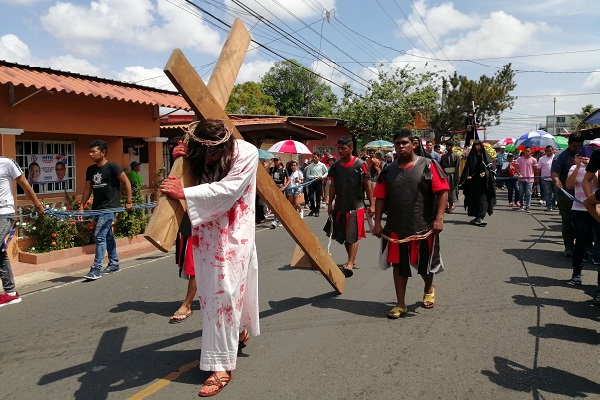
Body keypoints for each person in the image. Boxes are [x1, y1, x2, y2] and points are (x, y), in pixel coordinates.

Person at [159, 119, 259, 397]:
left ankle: (221, 366)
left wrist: (185, 193)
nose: (209, 158)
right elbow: (180, 178)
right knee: (212, 296)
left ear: (225, 143)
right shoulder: (197, 152)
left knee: (224, 295)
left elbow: (229, 190)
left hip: (233, 236)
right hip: (206, 234)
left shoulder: (246, 152)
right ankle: (237, 333)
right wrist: (179, 161)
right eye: (204, 152)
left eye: (214, 152)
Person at [372, 129, 449, 318]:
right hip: (396, 228)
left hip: (422, 225)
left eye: (404, 143)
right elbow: (380, 197)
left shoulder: (428, 165)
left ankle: (428, 288)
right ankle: (400, 304)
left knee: (424, 264)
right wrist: (377, 223)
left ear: (413, 144)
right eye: (397, 143)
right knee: (399, 265)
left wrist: (439, 219)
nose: (400, 147)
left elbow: (442, 192)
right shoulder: (388, 170)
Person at [80, 140, 133, 280]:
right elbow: (87, 189)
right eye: (89, 152)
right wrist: (81, 206)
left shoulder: (112, 167)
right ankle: (114, 263)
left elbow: (126, 182)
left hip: (109, 207)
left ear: (103, 153)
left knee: (99, 236)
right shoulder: (90, 170)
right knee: (107, 235)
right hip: (96, 208)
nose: (90, 154)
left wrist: (129, 201)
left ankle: (96, 268)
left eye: (94, 151)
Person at [327, 136, 375, 278]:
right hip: (341, 206)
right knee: (344, 237)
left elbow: (367, 185)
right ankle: (351, 260)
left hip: (356, 206)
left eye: (343, 148)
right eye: (339, 148)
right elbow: (333, 185)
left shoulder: (360, 164)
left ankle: (349, 263)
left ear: (351, 148)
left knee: (352, 236)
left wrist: (372, 204)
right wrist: (330, 203)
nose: (340, 151)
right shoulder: (335, 166)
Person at [0, 157, 45, 307]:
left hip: (4, 214)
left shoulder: (6, 162)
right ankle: (11, 293)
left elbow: (24, 184)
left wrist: (37, 205)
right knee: (0, 252)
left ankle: (11, 293)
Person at [565, 153, 598, 286]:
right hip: (579, 209)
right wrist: (578, 166)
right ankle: (576, 272)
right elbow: (569, 185)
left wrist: (592, 167)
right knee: (581, 241)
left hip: (597, 209)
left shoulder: (597, 168)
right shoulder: (573, 168)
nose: (584, 158)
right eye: (581, 156)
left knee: (597, 242)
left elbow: (596, 182)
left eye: (587, 156)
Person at [551, 132, 584, 257]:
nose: (577, 148)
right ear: (569, 143)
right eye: (575, 146)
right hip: (566, 194)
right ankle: (569, 247)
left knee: (582, 223)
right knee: (567, 221)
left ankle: (584, 248)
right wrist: (557, 181)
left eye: (580, 146)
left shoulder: (586, 153)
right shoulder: (561, 156)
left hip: (583, 195)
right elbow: (554, 172)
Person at [459, 140, 496, 226]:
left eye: (478, 145)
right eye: (475, 145)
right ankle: (476, 217)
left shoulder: (485, 156)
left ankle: (480, 217)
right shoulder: (472, 157)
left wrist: (485, 173)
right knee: (473, 199)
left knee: (483, 199)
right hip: (473, 182)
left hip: (484, 183)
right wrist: (468, 175)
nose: (476, 147)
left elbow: (491, 168)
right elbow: (468, 168)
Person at [304, 153, 328, 217]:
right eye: (313, 157)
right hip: (312, 182)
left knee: (318, 197)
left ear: (319, 158)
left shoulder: (322, 165)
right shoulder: (310, 166)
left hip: (319, 182)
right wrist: (313, 177)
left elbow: (326, 172)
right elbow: (307, 175)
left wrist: (322, 177)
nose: (314, 158)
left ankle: (317, 211)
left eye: (315, 157)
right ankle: (313, 209)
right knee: (311, 197)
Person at [516, 146, 538, 213]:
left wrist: (536, 177)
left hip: (530, 179)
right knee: (521, 193)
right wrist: (519, 174)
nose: (527, 152)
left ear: (531, 152)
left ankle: (528, 206)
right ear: (524, 151)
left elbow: (535, 170)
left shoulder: (533, 160)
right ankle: (521, 205)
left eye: (528, 151)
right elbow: (516, 168)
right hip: (521, 179)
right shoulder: (519, 159)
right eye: (526, 151)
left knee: (528, 193)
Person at [440, 140, 460, 213]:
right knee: (446, 190)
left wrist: (457, 178)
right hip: (445, 175)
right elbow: (441, 167)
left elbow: (457, 168)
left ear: (452, 147)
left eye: (448, 146)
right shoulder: (444, 156)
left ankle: (452, 204)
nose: (447, 147)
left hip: (453, 175)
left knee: (453, 190)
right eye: (446, 146)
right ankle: (447, 204)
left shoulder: (456, 156)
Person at [538, 145, 556, 211]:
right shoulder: (542, 159)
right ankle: (549, 206)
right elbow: (538, 169)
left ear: (553, 151)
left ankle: (554, 204)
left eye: (550, 151)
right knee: (547, 193)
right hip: (545, 179)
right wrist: (537, 178)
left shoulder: (556, 158)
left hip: (555, 178)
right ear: (545, 151)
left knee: (556, 193)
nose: (549, 152)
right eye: (547, 151)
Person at [268, 156, 285, 229]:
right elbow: (266, 170)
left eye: (277, 160)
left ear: (280, 161)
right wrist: (270, 163)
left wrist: (284, 187)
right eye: (274, 161)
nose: (275, 162)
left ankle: (276, 220)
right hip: (274, 187)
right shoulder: (273, 169)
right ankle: (277, 219)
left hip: (280, 187)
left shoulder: (283, 170)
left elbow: (288, 179)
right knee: (274, 204)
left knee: (278, 204)